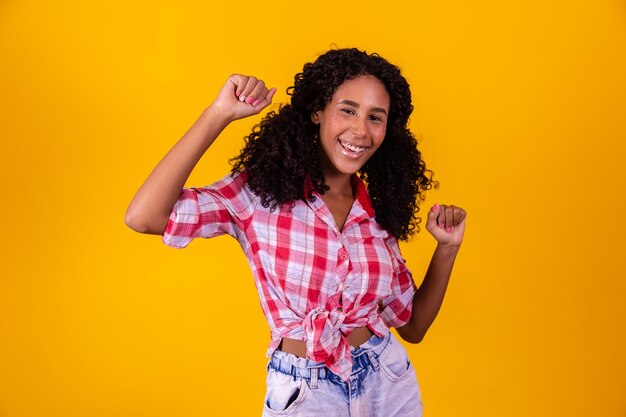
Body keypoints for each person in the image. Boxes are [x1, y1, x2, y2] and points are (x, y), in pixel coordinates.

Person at [125, 48, 466, 416]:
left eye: (376, 118)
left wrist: (447, 248)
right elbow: (145, 216)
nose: (361, 130)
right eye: (347, 110)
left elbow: (413, 326)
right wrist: (219, 114)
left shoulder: (377, 213)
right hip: (305, 391)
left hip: (387, 381)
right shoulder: (257, 194)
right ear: (317, 111)